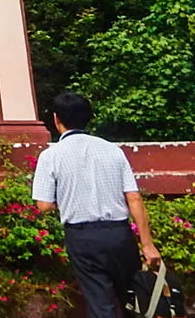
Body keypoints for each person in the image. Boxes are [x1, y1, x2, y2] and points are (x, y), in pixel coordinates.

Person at [33, 92, 162, 317]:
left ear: (56, 119)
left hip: (83, 238)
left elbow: (43, 205)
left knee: (101, 304)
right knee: (134, 301)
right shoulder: (113, 150)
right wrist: (147, 244)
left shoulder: (51, 156)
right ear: (88, 118)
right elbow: (134, 198)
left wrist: (70, 200)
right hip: (120, 234)